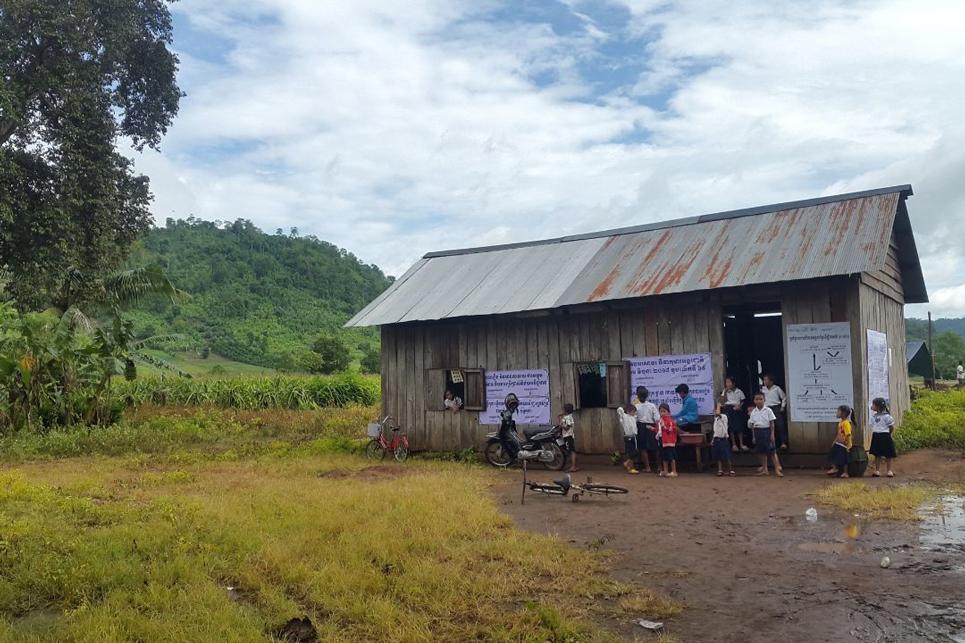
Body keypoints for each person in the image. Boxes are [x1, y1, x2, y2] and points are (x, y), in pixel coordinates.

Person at [747, 392, 783, 477]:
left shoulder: (768, 410)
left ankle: (777, 469)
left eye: (761, 399)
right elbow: (752, 425)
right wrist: (753, 436)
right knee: (761, 452)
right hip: (757, 431)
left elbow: (772, 423)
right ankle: (765, 469)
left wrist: (772, 434)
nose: (759, 401)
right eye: (757, 399)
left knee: (772, 451)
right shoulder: (753, 412)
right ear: (754, 401)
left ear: (764, 400)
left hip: (767, 431)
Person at [631, 386, 660, 473]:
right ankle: (659, 467)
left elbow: (634, 418)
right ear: (647, 396)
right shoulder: (652, 406)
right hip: (651, 426)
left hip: (641, 427)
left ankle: (648, 467)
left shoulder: (636, 406)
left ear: (637, 396)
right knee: (655, 447)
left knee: (643, 448)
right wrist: (657, 429)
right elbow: (657, 419)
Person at [869, 397, 897, 478]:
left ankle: (889, 470)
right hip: (876, 435)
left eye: (873, 404)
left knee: (888, 454)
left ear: (878, 406)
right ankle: (877, 470)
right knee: (877, 454)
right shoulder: (873, 417)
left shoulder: (887, 417)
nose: (872, 406)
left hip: (885, 435)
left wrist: (888, 434)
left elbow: (891, 427)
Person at [719, 376, 747, 452]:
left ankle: (741, 444)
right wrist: (724, 392)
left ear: (734, 383)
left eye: (729, 382)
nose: (727, 384)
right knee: (731, 427)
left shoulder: (739, 391)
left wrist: (739, 406)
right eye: (726, 382)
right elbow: (722, 402)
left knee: (739, 427)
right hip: (729, 409)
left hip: (737, 409)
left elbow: (743, 401)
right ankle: (734, 445)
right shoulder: (725, 391)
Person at [760, 373, 787, 450]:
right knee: (767, 426)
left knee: (780, 425)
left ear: (771, 381)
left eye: (766, 380)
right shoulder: (762, 389)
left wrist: (782, 407)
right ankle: (770, 443)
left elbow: (784, 397)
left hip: (776, 407)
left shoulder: (777, 388)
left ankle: (783, 443)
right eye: (764, 380)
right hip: (766, 408)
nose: (765, 382)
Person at [826, 405, 853, 478]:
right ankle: (835, 468)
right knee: (832, 454)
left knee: (844, 459)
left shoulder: (846, 423)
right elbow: (839, 433)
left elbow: (848, 434)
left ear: (843, 413)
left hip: (844, 444)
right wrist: (834, 441)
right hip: (838, 443)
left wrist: (849, 445)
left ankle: (845, 472)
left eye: (838, 411)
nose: (837, 413)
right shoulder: (841, 422)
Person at [711, 403, 735, 476]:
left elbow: (718, 413)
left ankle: (730, 470)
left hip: (723, 439)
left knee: (726, 455)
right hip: (717, 439)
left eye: (715, 410)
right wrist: (712, 440)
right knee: (718, 456)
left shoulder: (724, 417)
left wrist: (718, 405)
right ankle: (720, 469)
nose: (714, 411)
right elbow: (715, 431)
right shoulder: (716, 419)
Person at [657, 403, 679, 478]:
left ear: (668, 412)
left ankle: (674, 471)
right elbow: (658, 430)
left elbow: (671, 429)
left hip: (669, 442)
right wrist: (652, 429)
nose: (662, 413)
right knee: (664, 457)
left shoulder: (670, 420)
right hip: (663, 441)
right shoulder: (660, 420)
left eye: (664, 411)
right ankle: (665, 471)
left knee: (671, 457)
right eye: (661, 411)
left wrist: (664, 427)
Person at [617, 404, 640, 474]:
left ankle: (628, 465)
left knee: (635, 452)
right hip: (628, 437)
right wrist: (625, 411)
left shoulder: (634, 418)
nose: (634, 413)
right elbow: (619, 409)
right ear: (629, 411)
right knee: (631, 452)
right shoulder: (624, 417)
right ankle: (629, 466)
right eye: (633, 411)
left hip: (634, 437)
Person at [560, 403, 578, 472]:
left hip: (568, 436)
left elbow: (567, 428)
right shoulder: (568, 417)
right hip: (569, 436)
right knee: (572, 450)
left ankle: (573, 466)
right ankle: (574, 466)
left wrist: (561, 424)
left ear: (565, 410)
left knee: (571, 451)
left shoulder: (568, 417)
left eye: (563, 409)